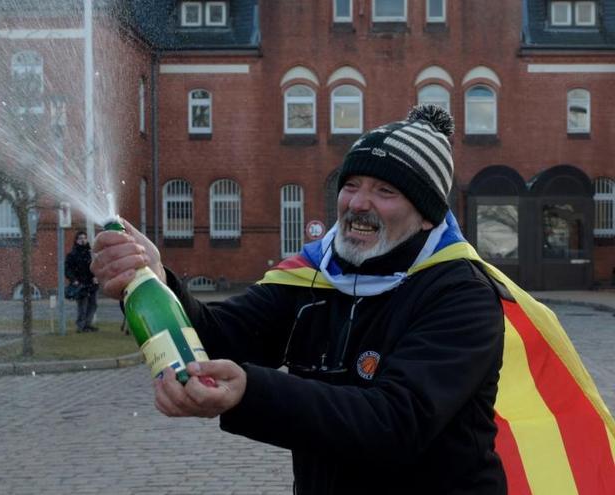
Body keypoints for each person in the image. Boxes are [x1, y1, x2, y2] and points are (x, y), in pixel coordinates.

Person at [91, 105, 507, 494]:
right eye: (351, 185)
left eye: (385, 191)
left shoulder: (461, 294)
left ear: (427, 214)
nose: (359, 203)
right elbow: (221, 338)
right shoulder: (313, 276)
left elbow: (395, 421)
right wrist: (153, 278)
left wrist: (249, 391)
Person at [65, 231, 99, 333]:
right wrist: (74, 280)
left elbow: (96, 265)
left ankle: (88, 324)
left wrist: (96, 276)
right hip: (80, 283)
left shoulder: (91, 253)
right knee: (82, 306)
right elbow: (68, 269)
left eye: (84, 238)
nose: (83, 240)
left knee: (93, 304)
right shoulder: (72, 254)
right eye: (80, 238)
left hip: (92, 283)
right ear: (76, 240)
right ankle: (81, 326)